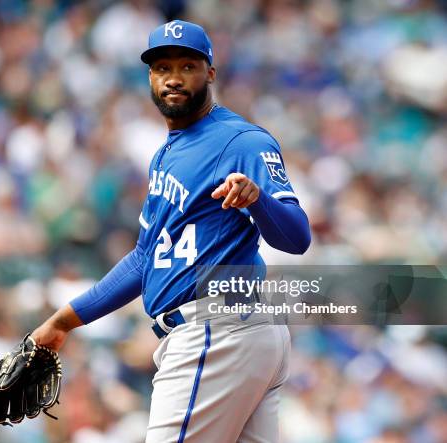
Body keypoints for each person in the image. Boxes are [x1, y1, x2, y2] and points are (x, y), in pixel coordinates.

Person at [31, 20, 311, 442]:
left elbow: (297, 237)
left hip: (215, 333)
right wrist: (64, 321)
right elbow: (145, 259)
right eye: (162, 68)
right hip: (232, 334)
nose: (174, 79)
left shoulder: (242, 142)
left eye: (187, 66)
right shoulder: (166, 154)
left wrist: (258, 200)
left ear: (210, 73)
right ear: (149, 76)